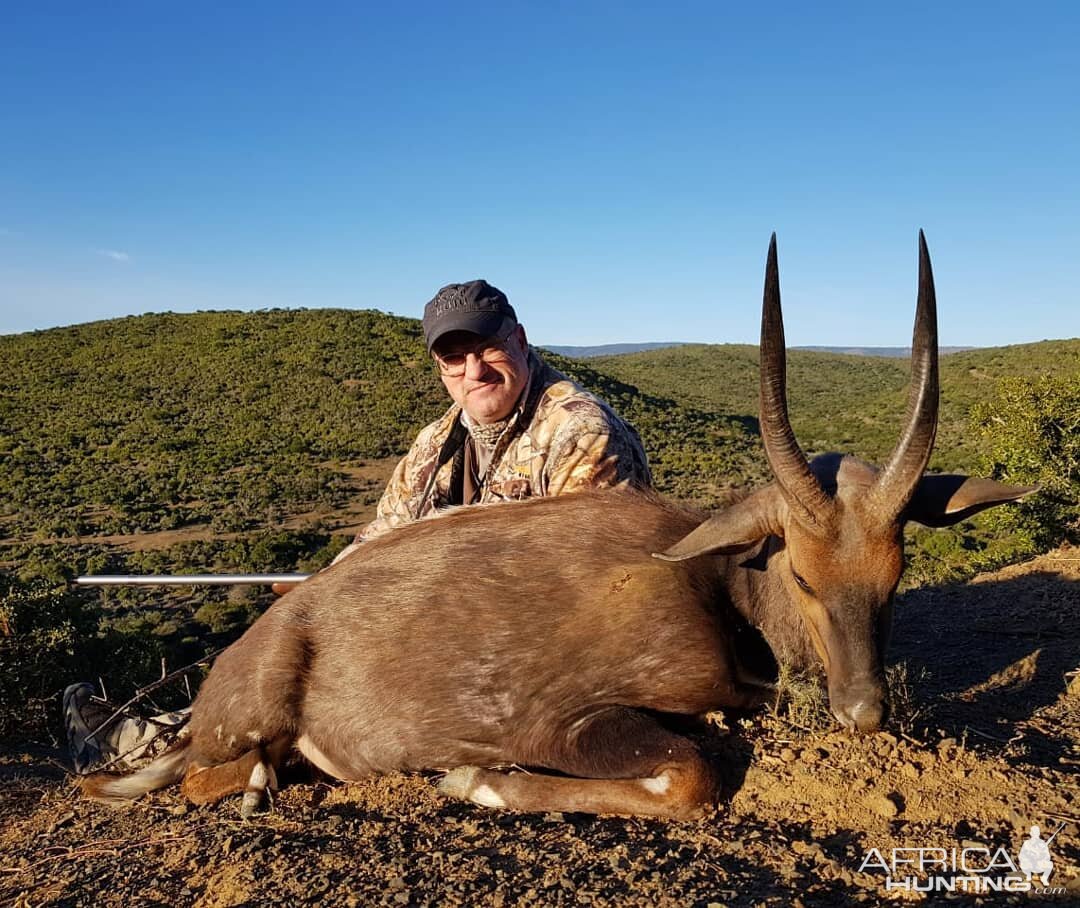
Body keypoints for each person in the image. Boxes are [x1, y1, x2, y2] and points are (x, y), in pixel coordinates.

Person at [66, 279, 652, 774]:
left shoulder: (579, 428)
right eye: (455, 357)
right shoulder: (437, 442)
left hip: (551, 651)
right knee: (307, 639)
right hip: (463, 629)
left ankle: (160, 751)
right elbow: (385, 537)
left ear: (520, 341)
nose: (474, 370)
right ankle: (183, 733)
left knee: (343, 690)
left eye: (490, 348)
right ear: (440, 367)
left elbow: (582, 585)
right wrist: (330, 585)